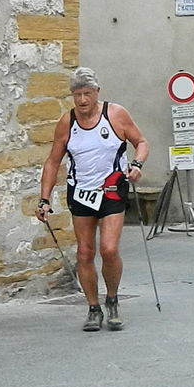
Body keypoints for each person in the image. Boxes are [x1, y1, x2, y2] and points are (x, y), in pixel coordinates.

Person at [35, 67, 150, 332]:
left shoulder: (116, 114)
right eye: (77, 95)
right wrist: (44, 199)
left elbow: (141, 142)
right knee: (85, 252)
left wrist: (137, 164)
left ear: (97, 92)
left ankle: (112, 299)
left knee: (108, 249)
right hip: (81, 192)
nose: (83, 100)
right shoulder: (68, 122)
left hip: (111, 189)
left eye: (87, 93)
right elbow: (53, 162)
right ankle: (93, 308)